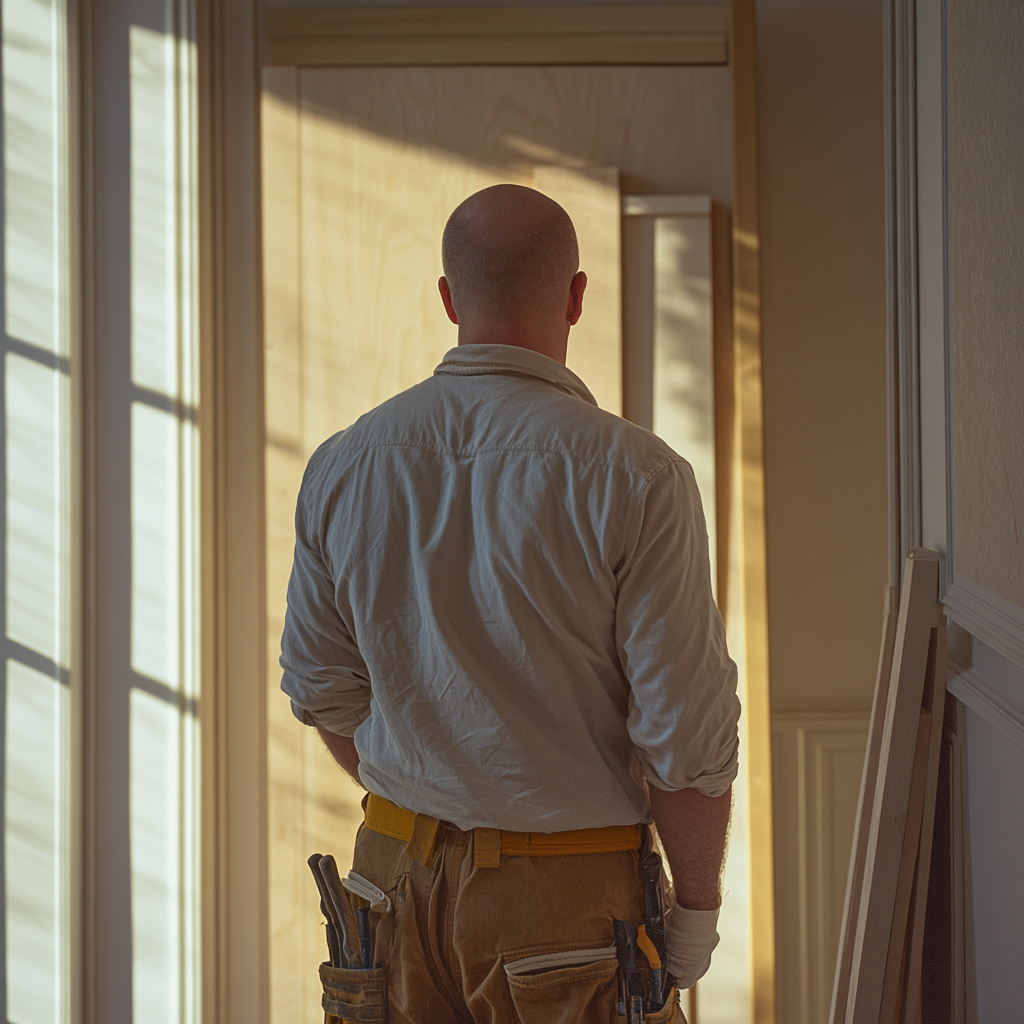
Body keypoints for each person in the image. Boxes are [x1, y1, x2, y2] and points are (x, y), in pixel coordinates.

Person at [281, 183, 740, 1024]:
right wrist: (696, 916)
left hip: (388, 886)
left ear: (450, 300)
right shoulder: (635, 477)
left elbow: (321, 692)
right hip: (567, 899)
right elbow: (685, 736)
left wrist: (434, 792)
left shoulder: (345, 464)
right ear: (575, 296)